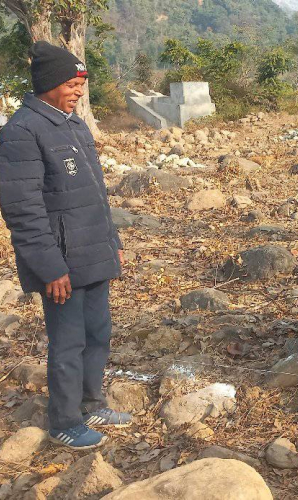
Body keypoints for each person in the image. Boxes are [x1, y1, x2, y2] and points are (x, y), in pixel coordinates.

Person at [0, 42, 130, 449]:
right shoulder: (21, 132)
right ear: (49, 84)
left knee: (98, 334)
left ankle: (92, 401)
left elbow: (96, 195)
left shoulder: (74, 125)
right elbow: (23, 211)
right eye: (71, 84)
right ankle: (65, 421)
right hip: (61, 262)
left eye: (80, 84)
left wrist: (114, 241)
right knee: (68, 342)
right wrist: (49, 267)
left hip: (94, 251)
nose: (77, 91)